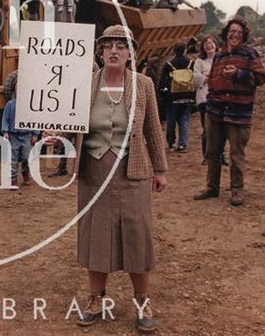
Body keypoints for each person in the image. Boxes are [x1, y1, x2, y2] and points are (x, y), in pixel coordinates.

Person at [76, 25, 168, 332]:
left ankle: (143, 301)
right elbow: (69, 126)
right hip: (94, 172)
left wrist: (160, 169)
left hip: (133, 173)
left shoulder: (143, 85)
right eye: (108, 46)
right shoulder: (84, 85)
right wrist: (53, 137)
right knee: (96, 239)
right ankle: (95, 300)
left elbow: (153, 129)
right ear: (100, 52)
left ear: (130, 53)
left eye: (121, 46)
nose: (114, 51)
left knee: (137, 238)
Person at [193, 18, 265, 206]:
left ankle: (236, 190)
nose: (235, 35)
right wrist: (210, 101)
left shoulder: (250, 54)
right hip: (215, 111)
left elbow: (260, 78)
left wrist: (238, 74)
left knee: (236, 154)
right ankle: (212, 187)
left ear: (243, 36)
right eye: (232, 31)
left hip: (239, 113)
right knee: (212, 151)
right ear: (226, 34)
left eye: (239, 33)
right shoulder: (219, 55)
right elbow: (212, 80)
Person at [1, 77, 39, 187]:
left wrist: (35, 134)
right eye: (18, 89)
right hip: (13, 135)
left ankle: (26, 175)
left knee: (26, 157)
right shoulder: (10, 105)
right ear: (15, 91)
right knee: (13, 159)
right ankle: (13, 180)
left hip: (27, 135)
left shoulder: (30, 105)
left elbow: (35, 119)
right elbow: (5, 119)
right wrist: (5, 132)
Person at [159, 42, 195, 153]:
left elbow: (162, 82)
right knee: (184, 122)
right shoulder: (191, 63)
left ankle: (171, 143)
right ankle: (182, 145)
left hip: (172, 98)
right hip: (187, 97)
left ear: (174, 51)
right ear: (185, 51)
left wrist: (163, 95)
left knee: (171, 121)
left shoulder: (168, 64)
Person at [194, 35, 220, 163]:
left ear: (215, 44)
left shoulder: (221, 58)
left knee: (221, 128)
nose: (208, 45)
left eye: (211, 43)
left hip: (219, 97)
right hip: (204, 98)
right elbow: (195, 79)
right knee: (207, 127)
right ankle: (206, 155)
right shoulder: (199, 62)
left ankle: (219, 154)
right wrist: (207, 77)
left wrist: (208, 74)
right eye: (206, 44)